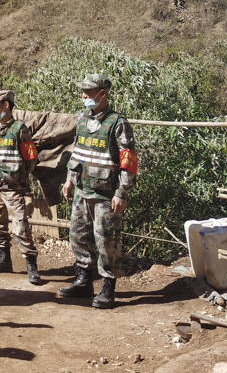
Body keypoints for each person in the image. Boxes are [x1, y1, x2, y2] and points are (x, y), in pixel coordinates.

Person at [56, 73, 137, 310]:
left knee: (106, 241)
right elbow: (78, 154)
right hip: (83, 190)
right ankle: (83, 281)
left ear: (103, 94)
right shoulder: (82, 120)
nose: (84, 96)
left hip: (105, 195)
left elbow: (128, 161)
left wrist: (122, 192)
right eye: (83, 91)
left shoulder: (117, 123)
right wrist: (70, 180)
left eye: (89, 92)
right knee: (78, 236)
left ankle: (108, 288)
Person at [0, 89, 41, 284]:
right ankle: (3, 259)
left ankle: (31, 265)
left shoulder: (20, 129)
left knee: (20, 225)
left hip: (12, 188)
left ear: (6, 105)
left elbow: (31, 159)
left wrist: (18, 178)